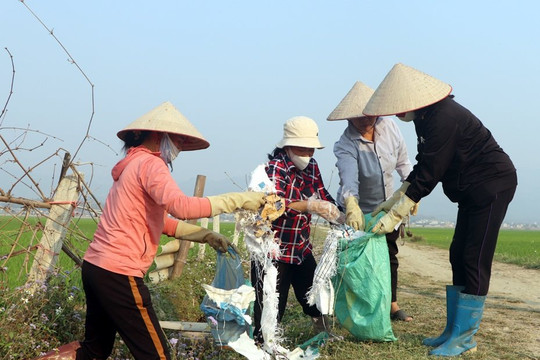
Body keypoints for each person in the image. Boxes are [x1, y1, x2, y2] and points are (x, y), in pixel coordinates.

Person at [40, 101, 266, 360]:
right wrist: (239, 200)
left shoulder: (131, 165)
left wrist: (206, 236)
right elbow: (181, 206)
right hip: (119, 272)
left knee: (94, 351)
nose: (179, 147)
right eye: (177, 140)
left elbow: (163, 222)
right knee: (157, 355)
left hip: (96, 268)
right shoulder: (151, 165)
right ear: (159, 136)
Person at [363, 63, 517, 357]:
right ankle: (452, 330)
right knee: (457, 253)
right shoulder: (426, 116)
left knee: (474, 257)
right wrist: (397, 196)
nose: (396, 113)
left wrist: (397, 214)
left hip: (491, 186)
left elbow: (432, 171)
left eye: (399, 106)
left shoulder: (444, 116)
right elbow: (424, 162)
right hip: (470, 191)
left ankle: (465, 338)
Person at [251, 116, 343, 345]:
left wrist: (339, 214)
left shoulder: (311, 167)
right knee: (271, 304)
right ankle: (263, 345)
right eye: (303, 148)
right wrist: (309, 206)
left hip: (300, 247)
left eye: (311, 149)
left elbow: (322, 194)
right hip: (273, 250)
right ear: (288, 145)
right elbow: (275, 205)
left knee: (314, 295)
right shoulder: (274, 168)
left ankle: (325, 335)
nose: (308, 154)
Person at [328, 81, 415, 322]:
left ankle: (392, 305)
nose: (366, 120)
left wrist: (412, 191)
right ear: (349, 118)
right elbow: (349, 181)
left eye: (370, 114)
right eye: (359, 116)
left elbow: (403, 164)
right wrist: (352, 206)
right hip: (358, 209)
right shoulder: (346, 144)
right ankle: (354, 309)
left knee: (388, 255)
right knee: (356, 261)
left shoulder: (390, 127)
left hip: (387, 207)